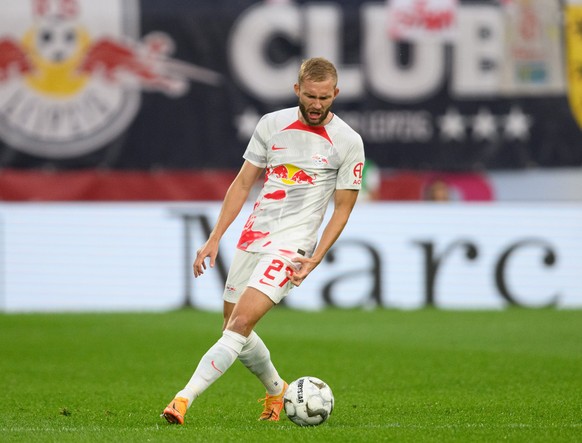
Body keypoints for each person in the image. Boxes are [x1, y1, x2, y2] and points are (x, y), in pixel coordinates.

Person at [162, 57, 365, 425]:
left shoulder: (348, 141)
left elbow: (343, 209)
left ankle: (182, 399)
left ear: (335, 93)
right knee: (232, 328)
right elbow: (242, 184)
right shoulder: (271, 125)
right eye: (309, 96)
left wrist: (317, 255)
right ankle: (276, 391)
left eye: (324, 97)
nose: (316, 104)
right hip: (253, 238)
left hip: (293, 246)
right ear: (296, 91)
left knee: (239, 325)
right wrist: (214, 238)